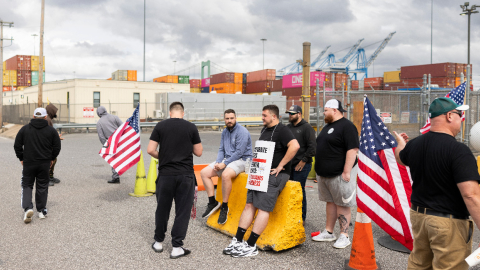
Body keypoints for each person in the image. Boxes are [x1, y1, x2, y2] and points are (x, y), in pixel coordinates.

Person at [394, 97, 480, 270]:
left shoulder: (415, 144)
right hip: (448, 222)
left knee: (419, 265)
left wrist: (400, 144)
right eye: (459, 114)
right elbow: (470, 194)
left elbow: (401, 158)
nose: (461, 119)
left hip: (419, 217)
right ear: (449, 116)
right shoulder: (459, 151)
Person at [223, 104, 299, 258]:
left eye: (264, 115)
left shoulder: (283, 130)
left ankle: (251, 245)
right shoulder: (265, 130)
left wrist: (281, 166)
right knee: (249, 205)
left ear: (273, 116)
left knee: (263, 208)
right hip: (259, 173)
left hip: (274, 175)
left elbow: (295, 146)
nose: (262, 118)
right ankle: (238, 240)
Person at [147, 102, 203, 259]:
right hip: (185, 175)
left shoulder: (160, 126)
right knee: (182, 211)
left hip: (165, 175)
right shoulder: (191, 127)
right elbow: (198, 152)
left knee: (162, 209)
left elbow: (150, 149)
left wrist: (164, 156)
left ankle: (158, 242)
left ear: (170, 113)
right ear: (183, 113)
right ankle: (177, 247)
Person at [312, 99, 358, 249]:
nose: (323, 113)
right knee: (330, 203)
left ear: (335, 110)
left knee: (342, 204)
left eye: (325, 110)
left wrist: (346, 171)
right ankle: (329, 232)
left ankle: (344, 235)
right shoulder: (328, 127)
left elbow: (352, 149)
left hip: (339, 174)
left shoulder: (347, 126)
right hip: (324, 175)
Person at [200, 109, 252, 224]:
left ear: (235, 118)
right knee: (204, 173)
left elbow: (239, 152)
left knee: (225, 174)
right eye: (227, 118)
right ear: (224, 119)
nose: (229, 121)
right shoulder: (225, 132)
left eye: (232, 118)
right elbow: (221, 149)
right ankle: (212, 202)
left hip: (243, 160)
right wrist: (218, 162)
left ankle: (224, 206)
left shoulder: (242, 131)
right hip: (228, 159)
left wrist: (225, 163)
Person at [14, 108, 61, 223]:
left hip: (29, 162)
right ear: (45, 117)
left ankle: (28, 208)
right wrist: (51, 158)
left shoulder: (24, 129)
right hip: (44, 162)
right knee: (42, 186)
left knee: (27, 185)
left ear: (33, 116)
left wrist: (21, 158)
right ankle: (41, 211)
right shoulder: (51, 131)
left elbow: (17, 145)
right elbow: (57, 147)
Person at [286, 105, 316, 222]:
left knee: (299, 190)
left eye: (292, 113)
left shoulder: (307, 127)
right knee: (290, 190)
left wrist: (303, 160)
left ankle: (301, 218)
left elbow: (313, 148)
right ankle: (291, 215)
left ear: (299, 114)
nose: (290, 115)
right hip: (289, 165)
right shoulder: (287, 128)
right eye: (289, 113)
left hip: (302, 165)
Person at [96, 106, 123, 183]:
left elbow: (101, 136)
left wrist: (105, 145)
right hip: (119, 139)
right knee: (121, 157)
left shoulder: (99, 122)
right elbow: (123, 126)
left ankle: (116, 177)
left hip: (111, 142)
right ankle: (120, 171)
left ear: (98, 113)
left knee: (113, 159)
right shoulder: (115, 117)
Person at [46, 104, 62, 186]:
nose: (55, 114)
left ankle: (50, 177)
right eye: (54, 112)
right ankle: (47, 178)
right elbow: (48, 133)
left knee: (53, 160)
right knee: (50, 160)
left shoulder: (48, 119)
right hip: (47, 145)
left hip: (49, 143)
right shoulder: (47, 120)